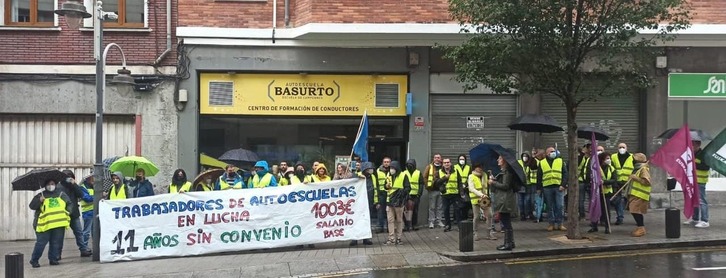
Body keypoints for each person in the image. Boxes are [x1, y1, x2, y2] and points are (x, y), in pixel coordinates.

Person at [29, 179, 72, 268]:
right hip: (43, 224)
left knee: (56, 242)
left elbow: (69, 204)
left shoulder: (61, 194)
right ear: (45, 185)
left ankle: (53, 259)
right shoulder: (41, 195)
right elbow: (32, 206)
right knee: (41, 243)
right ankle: (34, 260)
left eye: (52, 184)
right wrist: (39, 201)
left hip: (58, 224)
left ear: (55, 185)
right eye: (48, 184)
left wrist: (67, 212)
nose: (50, 186)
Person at [59, 170, 93, 258]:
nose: (68, 178)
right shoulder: (59, 187)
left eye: (70, 176)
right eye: (67, 176)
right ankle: (57, 254)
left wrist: (74, 184)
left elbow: (80, 194)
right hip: (62, 214)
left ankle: (83, 249)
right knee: (59, 235)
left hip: (74, 213)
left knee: (79, 233)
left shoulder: (73, 186)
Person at [489, 155, 519, 251]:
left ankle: (508, 244)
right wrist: (493, 180)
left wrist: (493, 183)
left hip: (505, 200)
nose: (498, 160)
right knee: (506, 221)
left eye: (500, 158)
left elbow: (506, 186)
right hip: (503, 199)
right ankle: (511, 242)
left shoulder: (507, 172)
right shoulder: (502, 172)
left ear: (505, 161)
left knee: (506, 222)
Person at [537, 147, 568, 231]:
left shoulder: (560, 161)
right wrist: (539, 188)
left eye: (554, 151)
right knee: (549, 206)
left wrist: (563, 184)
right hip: (547, 187)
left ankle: (560, 223)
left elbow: (565, 173)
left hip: (558, 187)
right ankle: (551, 224)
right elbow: (539, 176)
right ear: (547, 153)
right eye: (551, 151)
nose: (553, 153)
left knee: (560, 206)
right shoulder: (542, 163)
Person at [685, 138, 711, 228]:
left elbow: (706, 167)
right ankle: (695, 218)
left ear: (698, 145)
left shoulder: (704, 155)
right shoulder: (692, 154)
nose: (691, 146)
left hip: (700, 181)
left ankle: (705, 220)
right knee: (694, 200)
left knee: (701, 200)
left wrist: (693, 164)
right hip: (692, 180)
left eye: (693, 145)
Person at [589, 152, 616, 234]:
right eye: (607, 158)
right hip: (597, 192)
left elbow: (614, 179)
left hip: (607, 193)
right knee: (595, 208)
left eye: (609, 158)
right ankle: (594, 226)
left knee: (606, 211)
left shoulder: (611, 168)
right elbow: (591, 177)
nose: (609, 160)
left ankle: (607, 227)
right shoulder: (596, 168)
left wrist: (605, 182)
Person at [384, 161, 411, 245]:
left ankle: (399, 238)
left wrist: (401, 193)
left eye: (393, 168)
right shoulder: (388, 175)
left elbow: (408, 188)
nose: (391, 170)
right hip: (390, 201)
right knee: (390, 220)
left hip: (399, 202)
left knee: (399, 220)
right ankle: (391, 238)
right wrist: (386, 186)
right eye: (390, 168)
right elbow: (385, 186)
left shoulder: (403, 175)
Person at [350, 162, 376, 246]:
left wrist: (376, 201)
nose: (371, 171)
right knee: (356, 220)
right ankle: (355, 239)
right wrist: (358, 177)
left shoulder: (373, 177)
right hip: (358, 203)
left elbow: (376, 189)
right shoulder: (357, 176)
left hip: (369, 202)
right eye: (369, 169)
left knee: (367, 220)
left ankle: (366, 238)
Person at [468, 165, 497, 241]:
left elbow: (486, 186)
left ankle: (489, 233)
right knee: (476, 217)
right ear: (475, 168)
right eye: (478, 167)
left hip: (485, 199)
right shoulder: (471, 176)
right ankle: (475, 233)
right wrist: (481, 195)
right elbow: (471, 188)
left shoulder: (485, 175)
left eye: (481, 167)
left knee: (490, 215)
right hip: (476, 199)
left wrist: (491, 181)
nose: (480, 168)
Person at [628, 153, 651, 237]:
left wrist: (635, 178)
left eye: (634, 159)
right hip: (635, 194)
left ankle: (641, 228)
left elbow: (647, 182)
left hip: (640, 194)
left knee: (635, 211)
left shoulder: (643, 169)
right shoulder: (637, 168)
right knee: (635, 211)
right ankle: (640, 227)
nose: (632, 160)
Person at [435, 158, 461, 232]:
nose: (446, 164)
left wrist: (461, 192)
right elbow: (436, 183)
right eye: (445, 162)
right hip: (445, 194)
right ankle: (448, 225)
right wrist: (444, 178)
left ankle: (459, 226)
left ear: (450, 163)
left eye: (448, 162)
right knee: (446, 210)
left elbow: (459, 182)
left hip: (455, 193)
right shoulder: (439, 172)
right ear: (442, 164)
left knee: (457, 210)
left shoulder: (456, 171)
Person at [611, 143, 633, 225]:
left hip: (628, 181)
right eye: (620, 147)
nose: (622, 149)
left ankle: (638, 218)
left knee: (632, 200)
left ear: (627, 148)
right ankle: (620, 217)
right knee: (618, 200)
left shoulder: (632, 157)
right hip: (618, 182)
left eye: (623, 147)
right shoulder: (613, 157)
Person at [424, 153, 445, 229]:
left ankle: (439, 221)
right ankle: (431, 222)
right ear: (433, 159)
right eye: (435, 157)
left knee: (440, 207)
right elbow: (425, 177)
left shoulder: (443, 167)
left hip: (442, 190)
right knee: (432, 207)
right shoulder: (429, 167)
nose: (437, 159)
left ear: (441, 159)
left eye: (438, 157)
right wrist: (427, 186)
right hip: (432, 190)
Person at [403, 159, 424, 231]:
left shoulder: (418, 173)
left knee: (415, 210)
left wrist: (419, 194)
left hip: (415, 195)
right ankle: (406, 225)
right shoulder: (404, 173)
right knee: (405, 211)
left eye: (411, 165)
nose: (409, 166)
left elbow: (421, 184)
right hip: (406, 195)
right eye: (408, 165)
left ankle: (414, 224)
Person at [77, 175, 95, 255]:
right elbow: (87, 198)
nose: (94, 180)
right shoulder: (82, 188)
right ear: (87, 179)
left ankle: (95, 247)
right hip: (88, 212)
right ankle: (84, 248)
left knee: (95, 231)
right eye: (92, 178)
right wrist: (98, 196)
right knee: (86, 232)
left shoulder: (93, 187)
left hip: (95, 211)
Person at [375, 157, 392, 233]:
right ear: (382, 163)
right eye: (385, 162)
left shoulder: (393, 171)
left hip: (390, 193)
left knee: (390, 211)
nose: (386, 163)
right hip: (381, 193)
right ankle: (380, 227)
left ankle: (389, 227)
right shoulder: (377, 171)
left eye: (388, 162)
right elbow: (376, 183)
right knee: (380, 211)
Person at [517, 153, 535, 221]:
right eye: (524, 156)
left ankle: (527, 213)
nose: (525, 157)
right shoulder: (519, 162)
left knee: (527, 201)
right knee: (520, 201)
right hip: (520, 184)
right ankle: (522, 214)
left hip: (528, 184)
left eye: (526, 156)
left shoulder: (530, 163)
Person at [455, 154, 472, 220]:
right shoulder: (455, 167)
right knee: (457, 205)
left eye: (463, 159)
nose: (462, 160)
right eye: (460, 159)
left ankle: (465, 217)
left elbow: (470, 177)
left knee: (466, 204)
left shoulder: (468, 167)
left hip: (466, 189)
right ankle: (457, 219)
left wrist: (466, 184)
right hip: (457, 188)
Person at [577, 144, 592, 220]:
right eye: (589, 148)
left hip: (590, 181)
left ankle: (591, 214)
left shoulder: (593, 158)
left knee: (591, 199)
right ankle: (582, 214)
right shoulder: (581, 157)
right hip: (581, 181)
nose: (591, 150)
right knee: (581, 199)